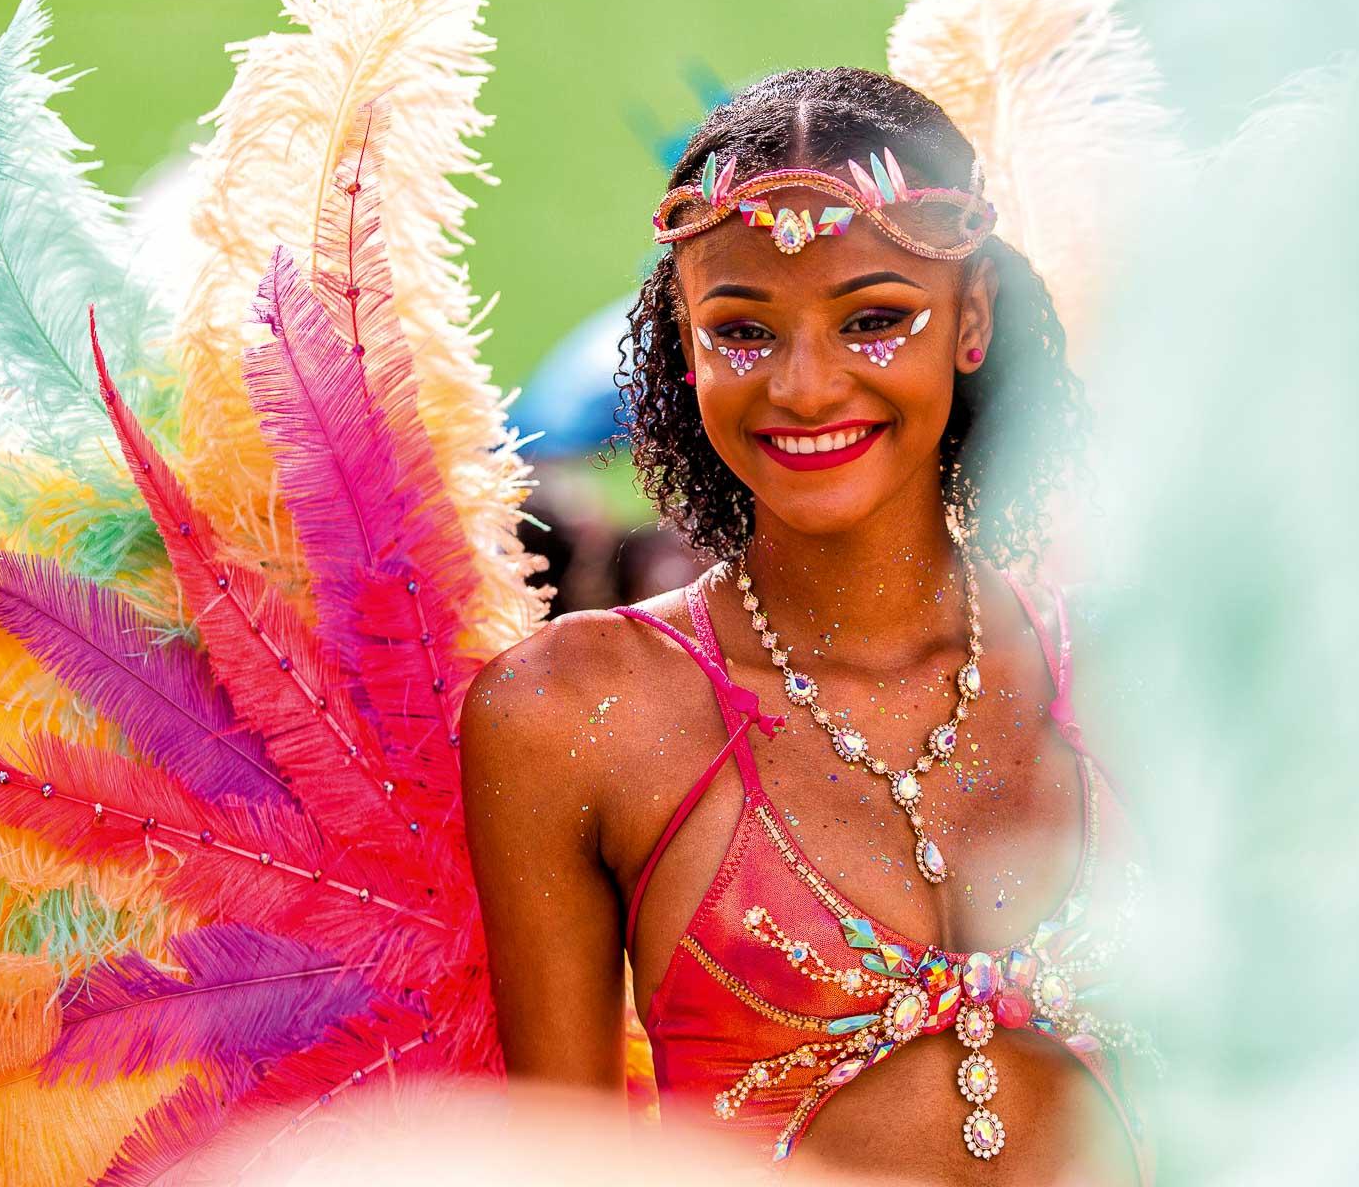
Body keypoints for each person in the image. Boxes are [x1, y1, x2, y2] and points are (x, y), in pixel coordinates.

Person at [462, 68, 1155, 1184]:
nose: (806, 383)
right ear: (684, 347)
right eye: (743, 330)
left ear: (970, 319)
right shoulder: (571, 711)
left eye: (875, 318)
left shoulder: (1136, 673)